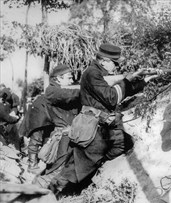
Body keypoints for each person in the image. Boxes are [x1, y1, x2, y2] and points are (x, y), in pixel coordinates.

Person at [47, 43, 159, 194]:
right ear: (104, 60)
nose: (116, 67)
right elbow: (112, 97)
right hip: (94, 127)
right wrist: (127, 79)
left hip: (104, 126)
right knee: (77, 166)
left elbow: (118, 91)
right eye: (115, 63)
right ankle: (48, 194)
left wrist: (144, 81)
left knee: (123, 143)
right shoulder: (92, 73)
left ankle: (83, 180)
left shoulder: (98, 73)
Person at [19, 64, 80, 174]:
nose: (72, 81)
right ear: (58, 78)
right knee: (36, 138)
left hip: (49, 114)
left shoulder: (60, 88)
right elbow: (68, 95)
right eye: (69, 78)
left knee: (47, 139)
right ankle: (32, 164)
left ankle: (47, 159)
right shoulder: (52, 89)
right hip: (38, 113)